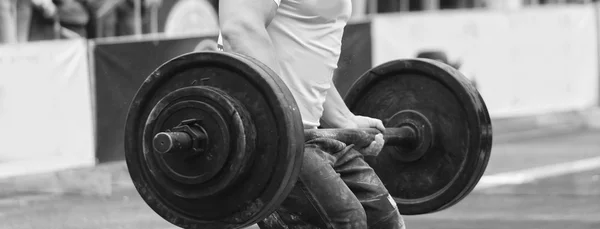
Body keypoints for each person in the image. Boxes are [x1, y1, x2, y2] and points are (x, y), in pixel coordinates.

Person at [219, 0, 406, 228]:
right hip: (272, 138)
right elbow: (239, 29)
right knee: (346, 222)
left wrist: (343, 119)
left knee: (383, 220)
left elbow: (302, 59)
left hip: (311, 135)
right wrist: (284, 116)